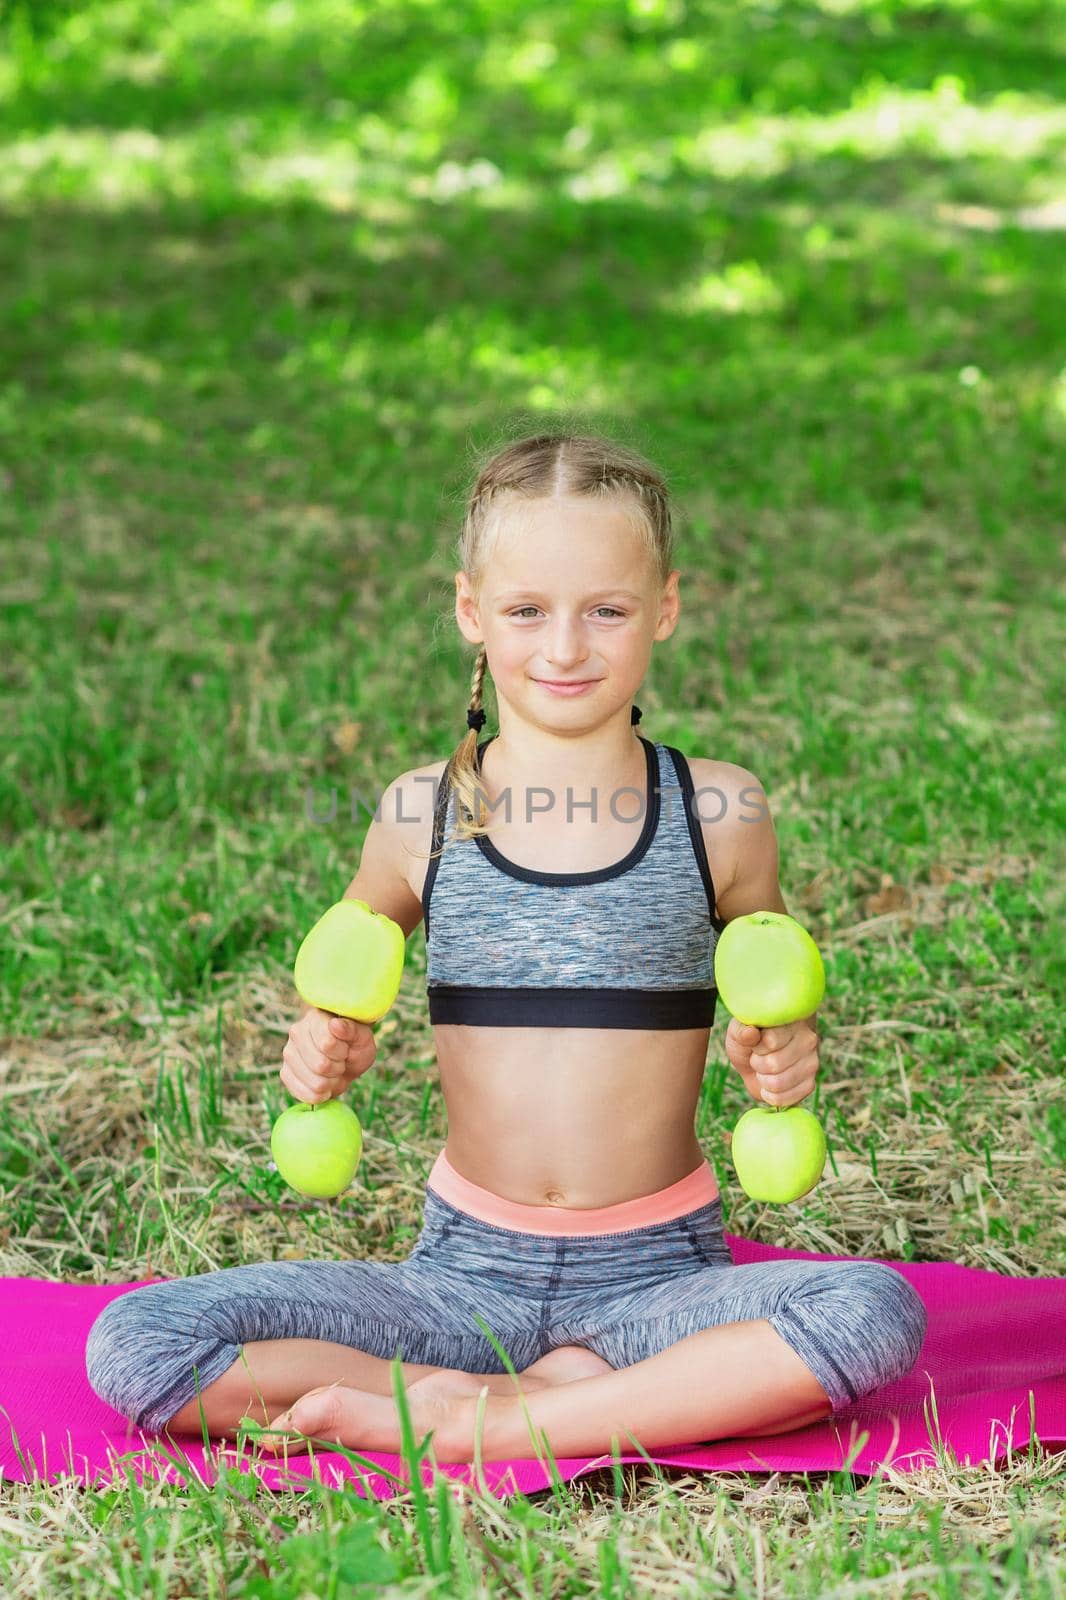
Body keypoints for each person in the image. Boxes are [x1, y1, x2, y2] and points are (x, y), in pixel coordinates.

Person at [85, 432, 927, 1464]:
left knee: (869, 1310)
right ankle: (568, 1400)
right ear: (470, 611)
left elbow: (766, 998)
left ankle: (489, 1418)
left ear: (664, 606)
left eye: (605, 610)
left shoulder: (718, 809)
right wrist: (319, 1049)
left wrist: (779, 1052)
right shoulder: (416, 815)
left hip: (657, 1274)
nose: (564, 647)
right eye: (526, 610)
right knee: (139, 1342)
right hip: (460, 1275)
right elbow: (340, 992)